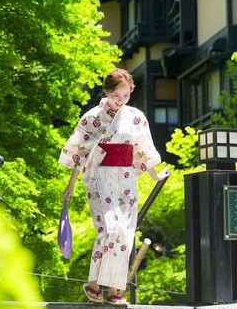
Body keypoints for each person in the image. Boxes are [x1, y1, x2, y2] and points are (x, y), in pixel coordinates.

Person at [59, 68, 170, 305]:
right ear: (107, 92)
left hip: (125, 179)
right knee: (109, 230)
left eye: (126, 95)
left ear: (131, 92)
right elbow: (80, 153)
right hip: (99, 176)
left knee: (125, 234)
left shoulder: (136, 117)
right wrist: (71, 184)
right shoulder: (92, 117)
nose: (120, 100)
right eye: (116, 95)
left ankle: (115, 290)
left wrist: (155, 175)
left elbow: (144, 150)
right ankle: (94, 283)